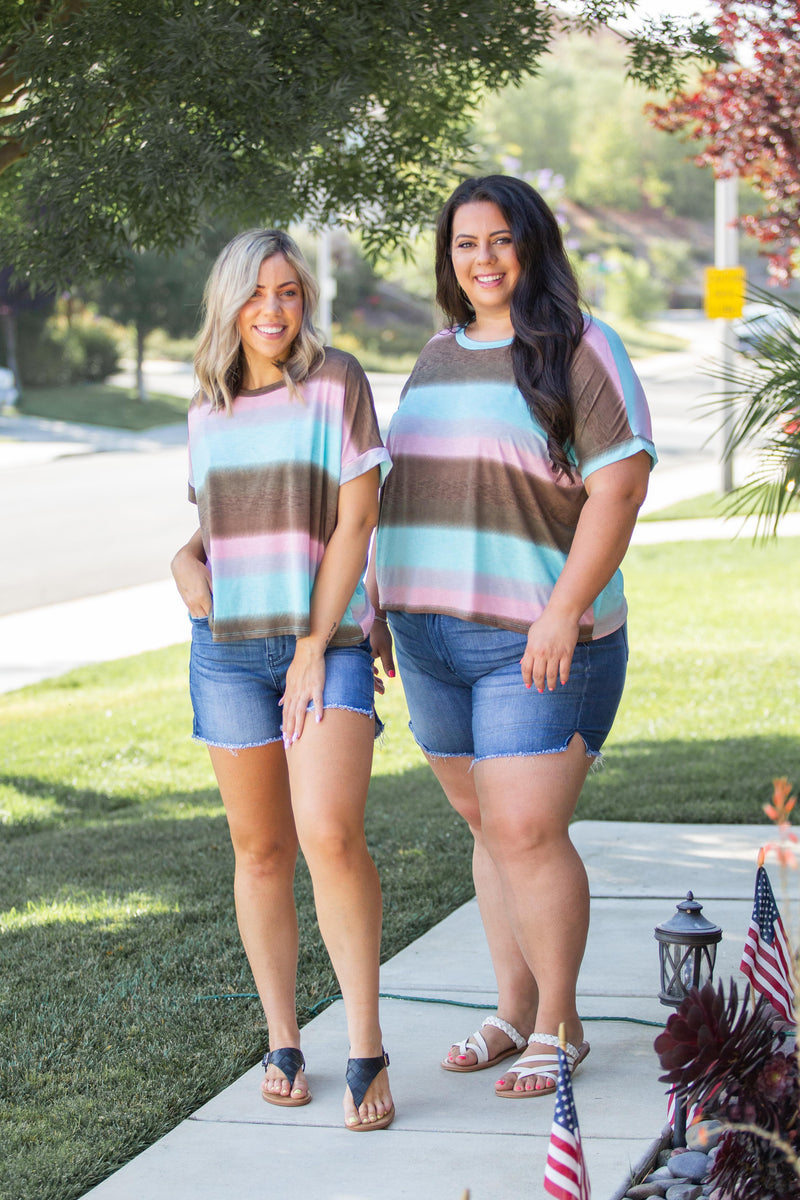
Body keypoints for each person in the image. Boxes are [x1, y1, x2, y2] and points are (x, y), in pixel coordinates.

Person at [370, 175, 656, 1098]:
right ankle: (511, 1007)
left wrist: (562, 612)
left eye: (499, 240)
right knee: (489, 827)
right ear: (448, 258)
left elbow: (619, 489)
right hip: (428, 637)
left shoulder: (580, 348)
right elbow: (400, 492)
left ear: (531, 246)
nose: (482, 259)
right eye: (464, 244)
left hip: (538, 638)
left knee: (528, 829)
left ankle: (559, 1025)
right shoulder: (435, 353)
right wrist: (377, 602)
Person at [170, 229, 394, 1131]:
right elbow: (215, 534)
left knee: (329, 834)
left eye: (290, 292)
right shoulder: (206, 408)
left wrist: (312, 643)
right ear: (228, 305)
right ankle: (283, 1040)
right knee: (259, 851)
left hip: (325, 643)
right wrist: (181, 566)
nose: (274, 310)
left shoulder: (335, 383)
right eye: (257, 294)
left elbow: (355, 520)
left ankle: (367, 1048)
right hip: (225, 651)